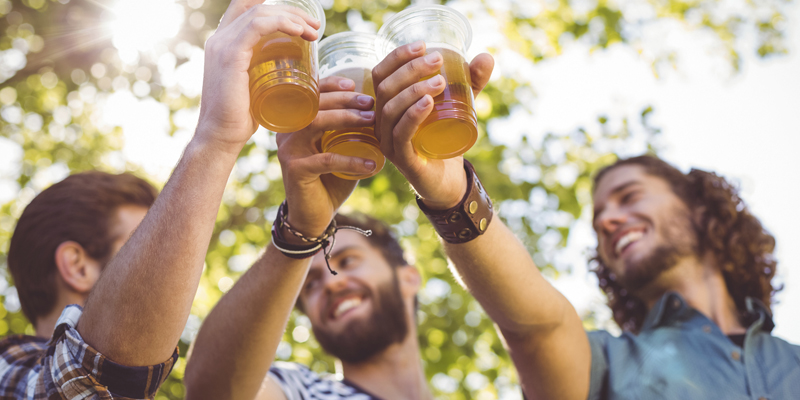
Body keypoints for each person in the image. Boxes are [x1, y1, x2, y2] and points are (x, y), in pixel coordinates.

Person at [368, 39, 800, 399]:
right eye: (598, 220)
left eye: (629, 197)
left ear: (700, 208)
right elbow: (533, 327)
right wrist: (453, 195)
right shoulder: (603, 366)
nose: (609, 221)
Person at [0, 0, 325, 398]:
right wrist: (216, 139)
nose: (179, 260)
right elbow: (81, 383)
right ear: (76, 266)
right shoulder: (7, 369)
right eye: (139, 239)